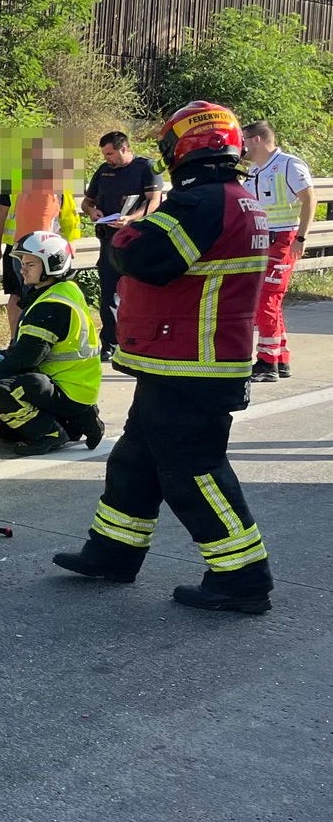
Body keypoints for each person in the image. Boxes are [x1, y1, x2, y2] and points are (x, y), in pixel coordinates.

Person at [53, 101, 274, 614]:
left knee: (193, 469)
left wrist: (121, 231)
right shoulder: (234, 198)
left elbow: (142, 254)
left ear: (182, 148)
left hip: (192, 362)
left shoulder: (201, 203)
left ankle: (243, 578)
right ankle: (113, 552)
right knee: (136, 459)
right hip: (183, 359)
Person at [0, 231, 104, 456]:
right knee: (8, 432)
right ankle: (79, 420)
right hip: (77, 386)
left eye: (30, 264)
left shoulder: (50, 306)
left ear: (53, 264)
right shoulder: (64, 290)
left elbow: (25, 360)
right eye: (22, 263)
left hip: (66, 388)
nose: (22, 269)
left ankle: (49, 433)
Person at [242, 121, 316, 382]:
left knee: (266, 299)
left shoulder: (288, 164)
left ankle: (266, 362)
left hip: (284, 238)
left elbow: (309, 198)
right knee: (268, 299)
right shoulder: (253, 169)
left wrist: (301, 237)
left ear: (257, 140)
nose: (242, 145)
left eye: (245, 139)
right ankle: (280, 358)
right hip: (262, 238)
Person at [81, 131, 164, 361]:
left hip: (137, 239)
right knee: (108, 291)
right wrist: (92, 211)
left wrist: (131, 218)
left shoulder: (146, 168)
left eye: (110, 153)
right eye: (104, 154)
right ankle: (110, 342)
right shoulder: (104, 170)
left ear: (124, 148)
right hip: (109, 239)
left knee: (139, 291)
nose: (107, 158)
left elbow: (154, 202)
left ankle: (143, 340)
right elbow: (87, 201)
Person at [0, 143, 82, 343]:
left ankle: (20, 341)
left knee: (20, 295)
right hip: (38, 250)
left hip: (26, 249)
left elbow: (69, 216)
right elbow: (70, 218)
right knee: (33, 294)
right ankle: (24, 340)